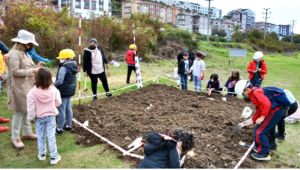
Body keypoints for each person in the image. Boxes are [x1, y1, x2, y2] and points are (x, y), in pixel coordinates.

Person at [234, 80, 294, 161]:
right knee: (269, 128)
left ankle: (264, 153)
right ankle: (271, 145)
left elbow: (267, 105)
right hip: (276, 110)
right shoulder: (254, 93)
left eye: (243, 94)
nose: (244, 96)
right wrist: (253, 120)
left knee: (259, 131)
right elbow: (259, 109)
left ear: (247, 90)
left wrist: (262, 117)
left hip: (276, 110)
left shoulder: (256, 93)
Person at [8, 29, 42, 149]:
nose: (31, 46)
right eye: (30, 44)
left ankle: (27, 132)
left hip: (27, 87)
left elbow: (27, 66)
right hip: (19, 88)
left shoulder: (24, 53)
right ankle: (15, 137)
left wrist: (36, 66)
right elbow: (14, 72)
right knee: (19, 112)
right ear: (23, 43)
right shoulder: (14, 54)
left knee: (27, 110)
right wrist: (32, 70)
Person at [27, 68, 62, 164]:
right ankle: (54, 157)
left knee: (40, 136)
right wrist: (52, 105)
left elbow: (31, 107)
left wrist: (31, 118)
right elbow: (58, 102)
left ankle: (42, 154)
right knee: (51, 137)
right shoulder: (54, 90)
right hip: (51, 117)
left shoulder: (32, 92)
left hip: (39, 118)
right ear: (50, 78)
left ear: (37, 78)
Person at [54, 49, 78, 134]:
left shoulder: (63, 68)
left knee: (61, 109)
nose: (60, 59)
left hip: (63, 91)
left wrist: (52, 85)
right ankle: (68, 125)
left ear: (66, 58)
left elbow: (60, 81)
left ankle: (59, 128)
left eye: (61, 58)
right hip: (70, 90)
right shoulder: (74, 65)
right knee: (68, 107)